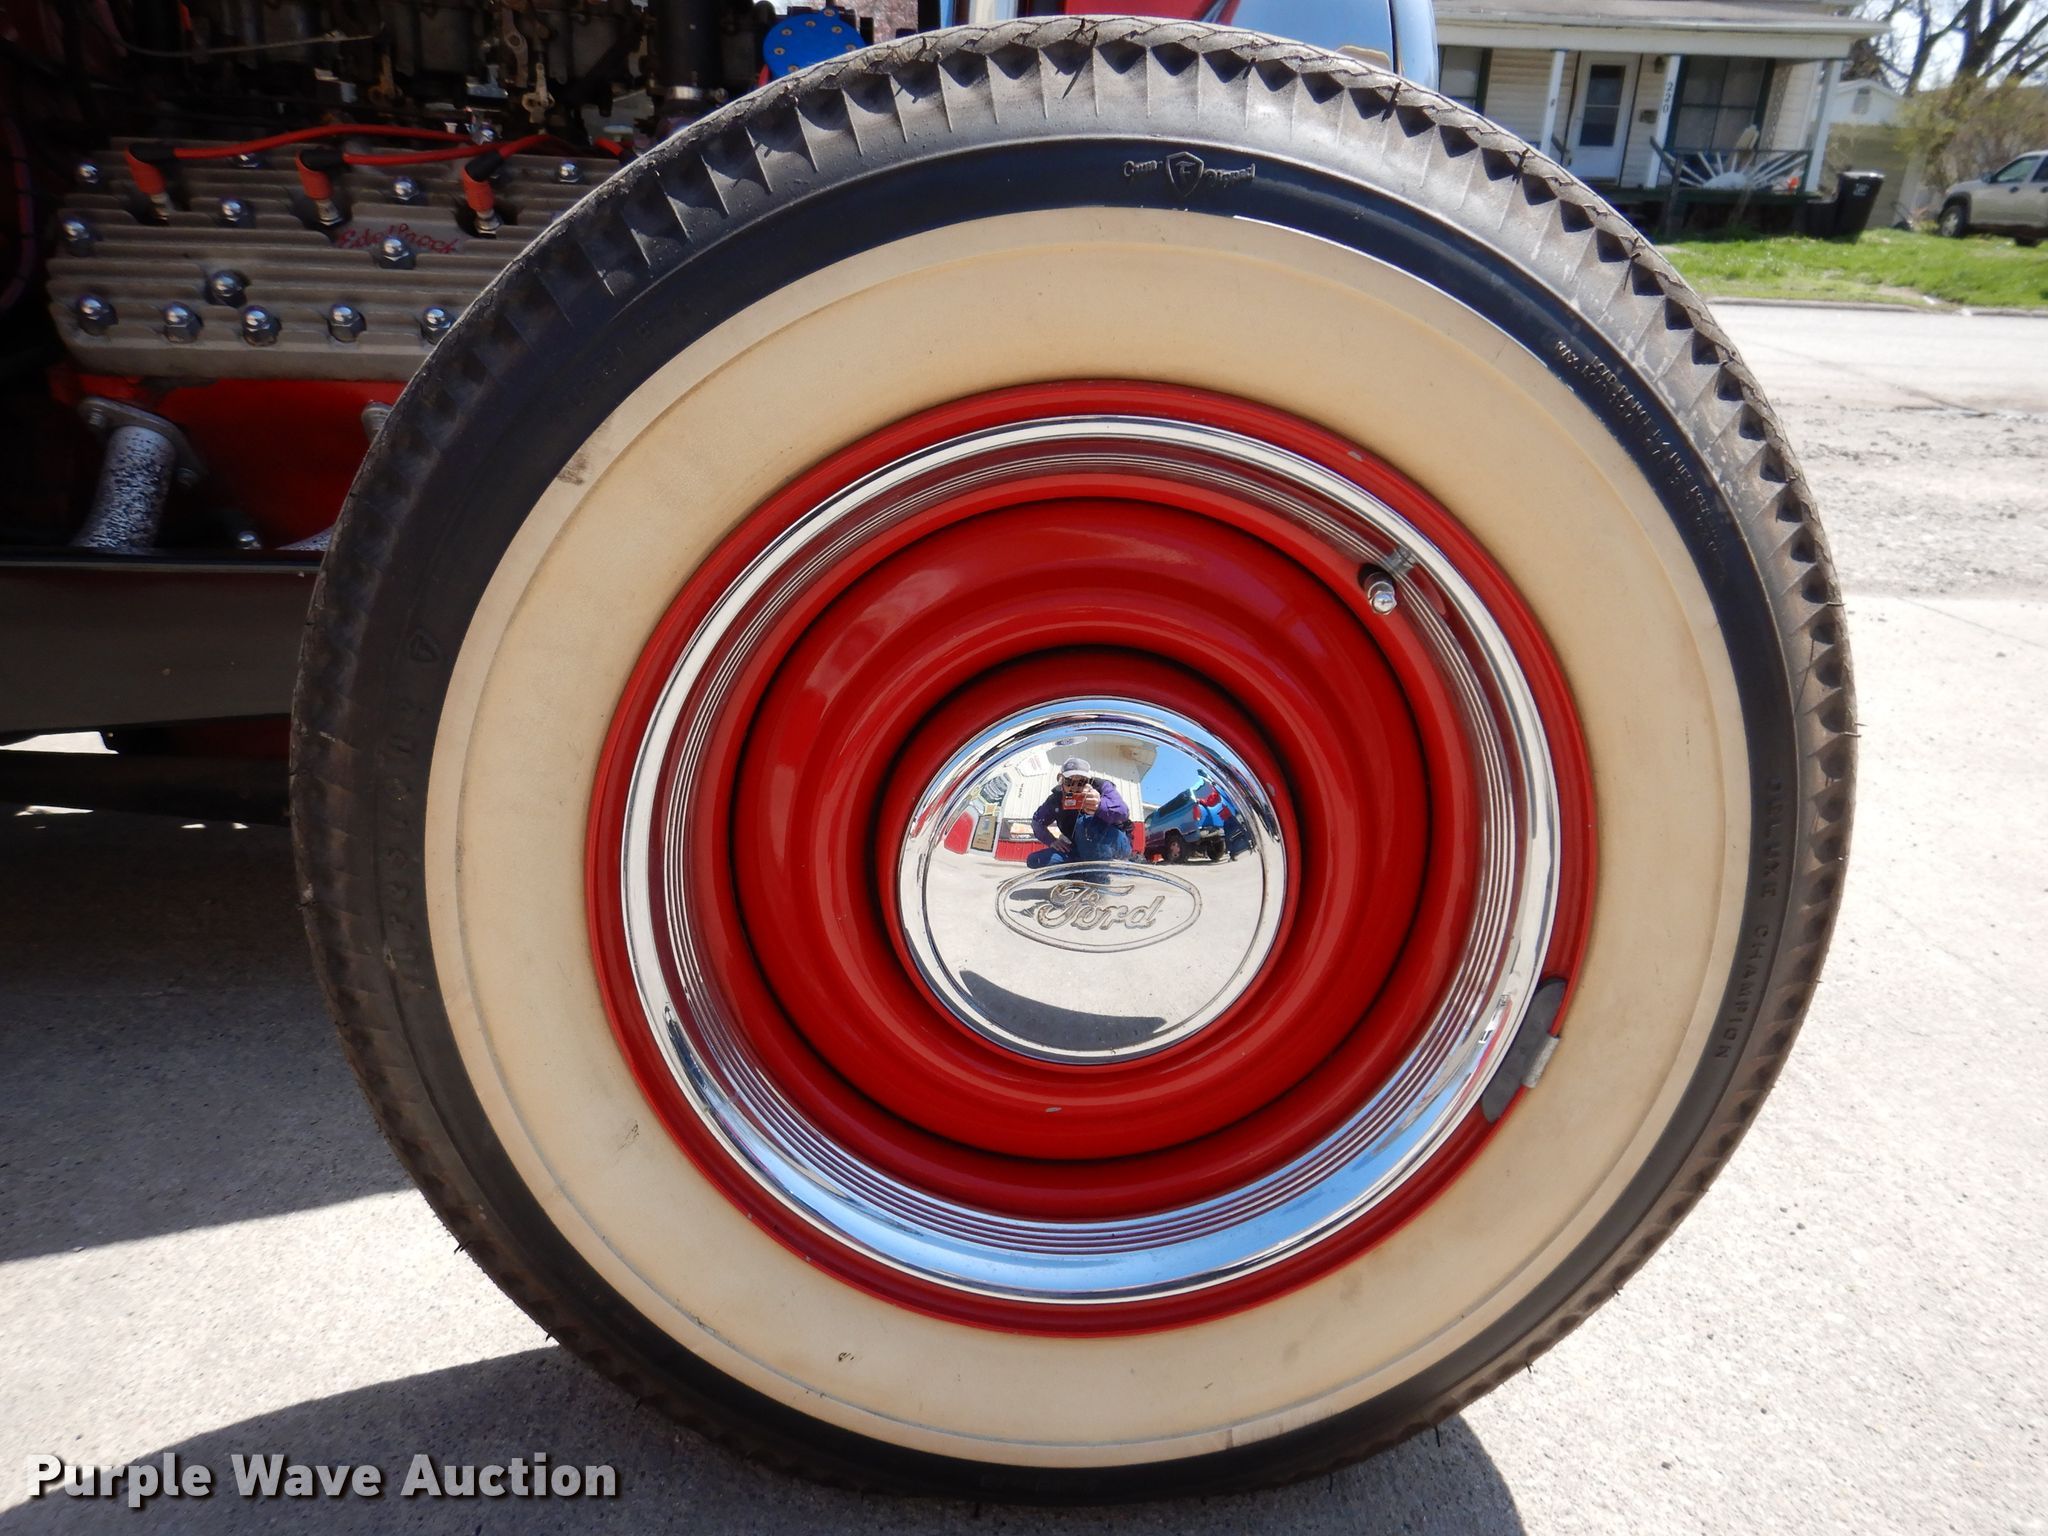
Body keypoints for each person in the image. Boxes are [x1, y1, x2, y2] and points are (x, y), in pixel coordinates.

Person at [1027, 757, 1133, 869]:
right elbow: (1037, 822)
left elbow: (1123, 812)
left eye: (1081, 782)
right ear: (1061, 779)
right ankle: (1083, 871)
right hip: (1080, 848)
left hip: (1113, 843)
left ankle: (1100, 873)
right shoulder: (1056, 799)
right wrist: (1052, 841)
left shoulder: (1101, 786)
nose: (1074, 787)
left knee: (1083, 822)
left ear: (1089, 781)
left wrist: (1100, 804)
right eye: (1069, 781)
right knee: (1034, 860)